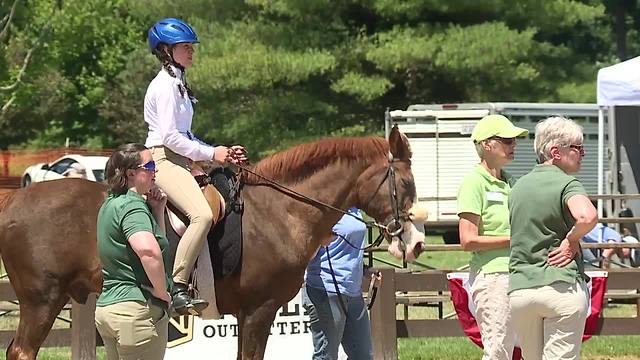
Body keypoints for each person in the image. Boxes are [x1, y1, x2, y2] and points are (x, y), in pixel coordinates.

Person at [145, 18, 247, 314]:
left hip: (181, 159)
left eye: (191, 47)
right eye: (185, 47)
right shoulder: (164, 86)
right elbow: (169, 137)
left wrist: (222, 153)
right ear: (166, 50)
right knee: (201, 214)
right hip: (163, 160)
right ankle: (177, 287)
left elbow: (186, 135)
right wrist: (213, 153)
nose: (192, 52)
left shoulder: (178, 83)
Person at [509, 116, 597, 360]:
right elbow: (588, 216)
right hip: (562, 288)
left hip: (521, 291)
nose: (583, 153)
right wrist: (571, 240)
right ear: (556, 152)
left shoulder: (518, 187)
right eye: (577, 147)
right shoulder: (568, 183)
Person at [456, 114, 527, 360]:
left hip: (520, 273)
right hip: (493, 277)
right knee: (498, 349)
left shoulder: (511, 182)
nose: (513, 145)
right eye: (507, 140)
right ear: (487, 144)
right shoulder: (474, 183)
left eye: (514, 141)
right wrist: (513, 239)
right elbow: (467, 240)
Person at [95, 143, 172, 360]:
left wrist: (158, 210)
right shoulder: (133, 207)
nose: (154, 171)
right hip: (135, 312)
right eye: (149, 166)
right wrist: (161, 292)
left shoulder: (111, 204)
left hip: (108, 311)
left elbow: (156, 242)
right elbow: (148, 251)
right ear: (131, 173)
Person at [302, 208, 373, 360]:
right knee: (326, 356)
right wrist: (318, 240)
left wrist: (365, 270)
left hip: (353, 293)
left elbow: (348, 250)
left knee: (363, 355)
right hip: (325, 290)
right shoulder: (325, 208)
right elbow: (303, 252)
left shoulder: (356, 210)